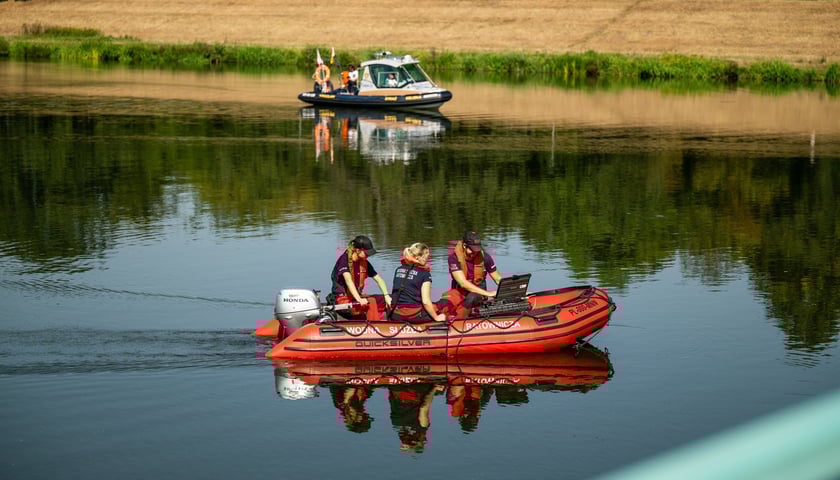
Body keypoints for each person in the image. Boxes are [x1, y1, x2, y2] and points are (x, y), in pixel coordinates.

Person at [330, 235, 392, 320]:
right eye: (366, 253)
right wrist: (359, 299)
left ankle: (393, 322)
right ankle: (374, 327)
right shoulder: (344, 260)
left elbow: (379, 279)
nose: (368, 256)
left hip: (356, 298)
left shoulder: (364, 262)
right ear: (358, 250)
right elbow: (349, 281)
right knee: (371, 301)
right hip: (342, 300)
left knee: (391, 299)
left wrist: (386, 295)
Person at [445, 231, 503, 319]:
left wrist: (511, 289)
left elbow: (498, 278)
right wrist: (488, 293)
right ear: (464, 246)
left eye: (477, 250)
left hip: (479, 294)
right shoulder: (453, 259)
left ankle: (459, 322)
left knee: (471, 298)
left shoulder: (485, 257)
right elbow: (463, 283)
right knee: (444, 301)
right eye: (472, 250)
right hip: (459, 293)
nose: (475, 253)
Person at [389, 243, 446, 323]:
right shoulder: (425, 274)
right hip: (413, 315)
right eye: (426, 257)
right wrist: (436, 317)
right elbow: (426, 301)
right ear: (417, 257)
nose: (427, 260)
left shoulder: (398, 269)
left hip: (395, 314)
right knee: (440, 310)